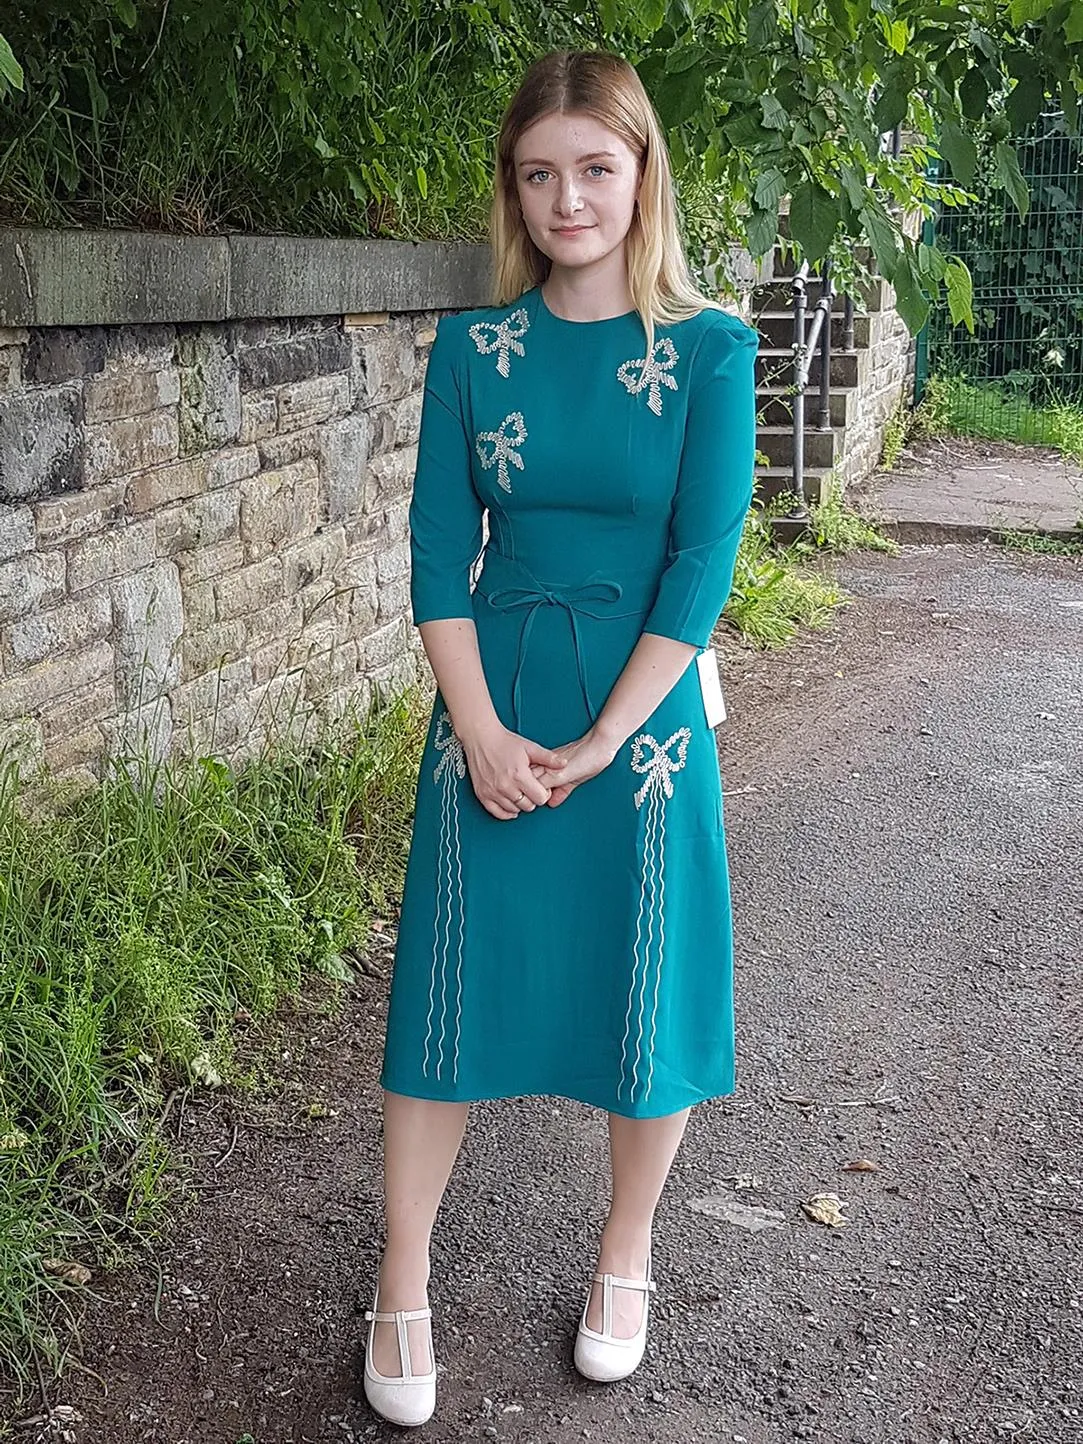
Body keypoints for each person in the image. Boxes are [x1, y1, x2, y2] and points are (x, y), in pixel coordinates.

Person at [364, 47, 758, 1428]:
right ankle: (400, 1279)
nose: (566, 199)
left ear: (643, 174)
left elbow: (700, 565)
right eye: (538, 175)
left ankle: (624, 1255)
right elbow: (432, 552)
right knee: (446, 999)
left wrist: (600, 739)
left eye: (594, 168)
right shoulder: (474, 351)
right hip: (490, 706)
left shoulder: (711, 348)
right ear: (512, 193)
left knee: (642, 990)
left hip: (641, 731)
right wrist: (477, 730)